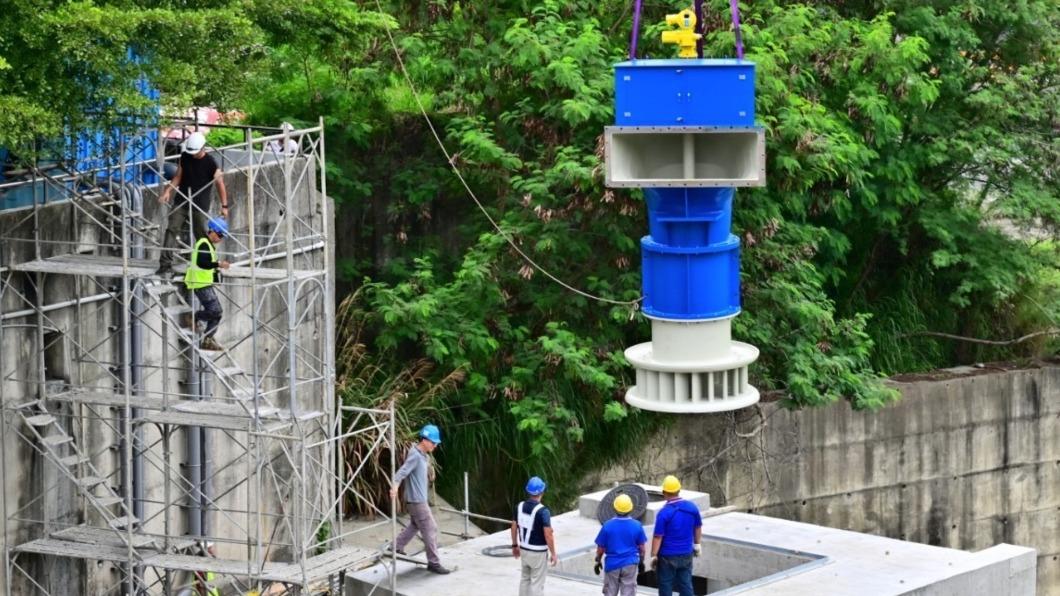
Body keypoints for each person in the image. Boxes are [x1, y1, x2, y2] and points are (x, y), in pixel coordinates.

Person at [157, 131, 228, 275]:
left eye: (195, 152)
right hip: (181, 201)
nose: (193, 154)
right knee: (171, 229)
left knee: (202, 235)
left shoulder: (211, 163)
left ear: (203, 148)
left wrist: (224, 206)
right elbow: (178, 177)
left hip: (199, 205)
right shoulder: (185, 156)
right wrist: (167, 191)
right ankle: (165, 264)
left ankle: (207, 264)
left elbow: (220, 184)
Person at [389, 424, 451, 575]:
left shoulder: (423, 455)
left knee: (415, 525)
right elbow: (402, 472)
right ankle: (434, 563)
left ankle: (395, 547)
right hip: (417, 501)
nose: (435, 445)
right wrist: (395, 487)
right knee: (430, 528)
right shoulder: (415, 455)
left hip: (416, 500)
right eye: (433, 442)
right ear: (425, 440)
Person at [650, 475, 702, 596]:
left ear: (664, 493)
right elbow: (698, 527)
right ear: (679, 490)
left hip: (667, 557)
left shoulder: (663, 513)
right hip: (686, 554)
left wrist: (653, 555)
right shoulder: (692, 507)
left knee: (665, 586)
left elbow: (658, 537)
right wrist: (697, 544)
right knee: (685, 585)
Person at [184, 218, 230, 351]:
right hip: (200, 284)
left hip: (204, 283)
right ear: (213, 232)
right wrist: (219, 264)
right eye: (220, 235)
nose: (220, 239)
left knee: (218, 313)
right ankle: (195, 317)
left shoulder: (208, 245)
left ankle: (208, 340)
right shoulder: (204, 244)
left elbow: (207, 264)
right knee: (216, 311)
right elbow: (202, 263)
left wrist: (216, 270)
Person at [510, 476, 558, 596]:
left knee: (525, 579)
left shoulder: (519, 507)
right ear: (542, 492)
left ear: (528, 491)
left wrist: (515, 545)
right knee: (537, 583)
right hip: (538, 553)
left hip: (524, 549)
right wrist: (553, 553)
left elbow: (514, 526)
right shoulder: (543, 511)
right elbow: (548, 535)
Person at [594, 494, 647, 596]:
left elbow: (600, 549)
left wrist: (598, 561)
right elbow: (642, 548)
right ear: (631, 508)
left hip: (612, 564)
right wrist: (641, 561)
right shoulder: (637, 525)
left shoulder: (607, 526)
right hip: (630, 564)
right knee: (628, 592)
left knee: (610, 592)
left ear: (614, 508)